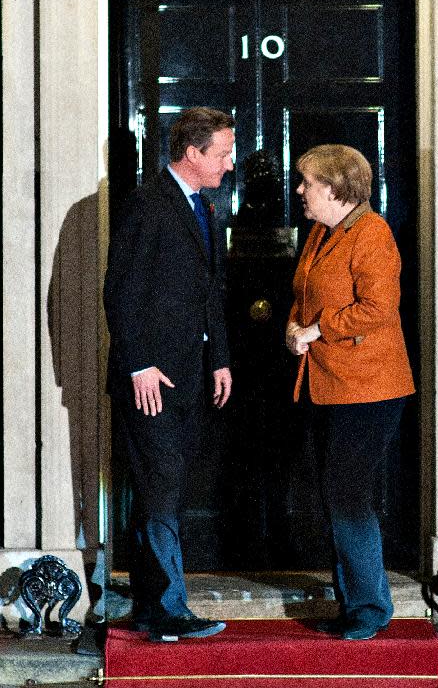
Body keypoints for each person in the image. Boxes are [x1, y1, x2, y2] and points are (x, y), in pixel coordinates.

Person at [103, 107, 235, 642]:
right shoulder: (148, 204)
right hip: (151, 379)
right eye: (223, 153)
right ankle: (165, 611)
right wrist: (138, 364)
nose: (230, 163)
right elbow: (120, 290)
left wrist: (220, 357)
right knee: (162, 488)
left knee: (170, 486)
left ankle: (157, 605)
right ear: (193, 153)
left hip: (190, 374)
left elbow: (207, 291)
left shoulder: (202, 205)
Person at [286, 144, 415, 641]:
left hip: (368, 390)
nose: (300, 190)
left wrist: (315, 330)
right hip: (325, 384)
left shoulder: (372, 232)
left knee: (349, 498)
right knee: (337, 494)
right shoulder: (321, 232)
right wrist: (293, 328)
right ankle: (354, 602)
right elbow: (302, 295)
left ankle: (367, 608)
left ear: (336, 189)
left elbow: (378, 307)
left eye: (307, 182)